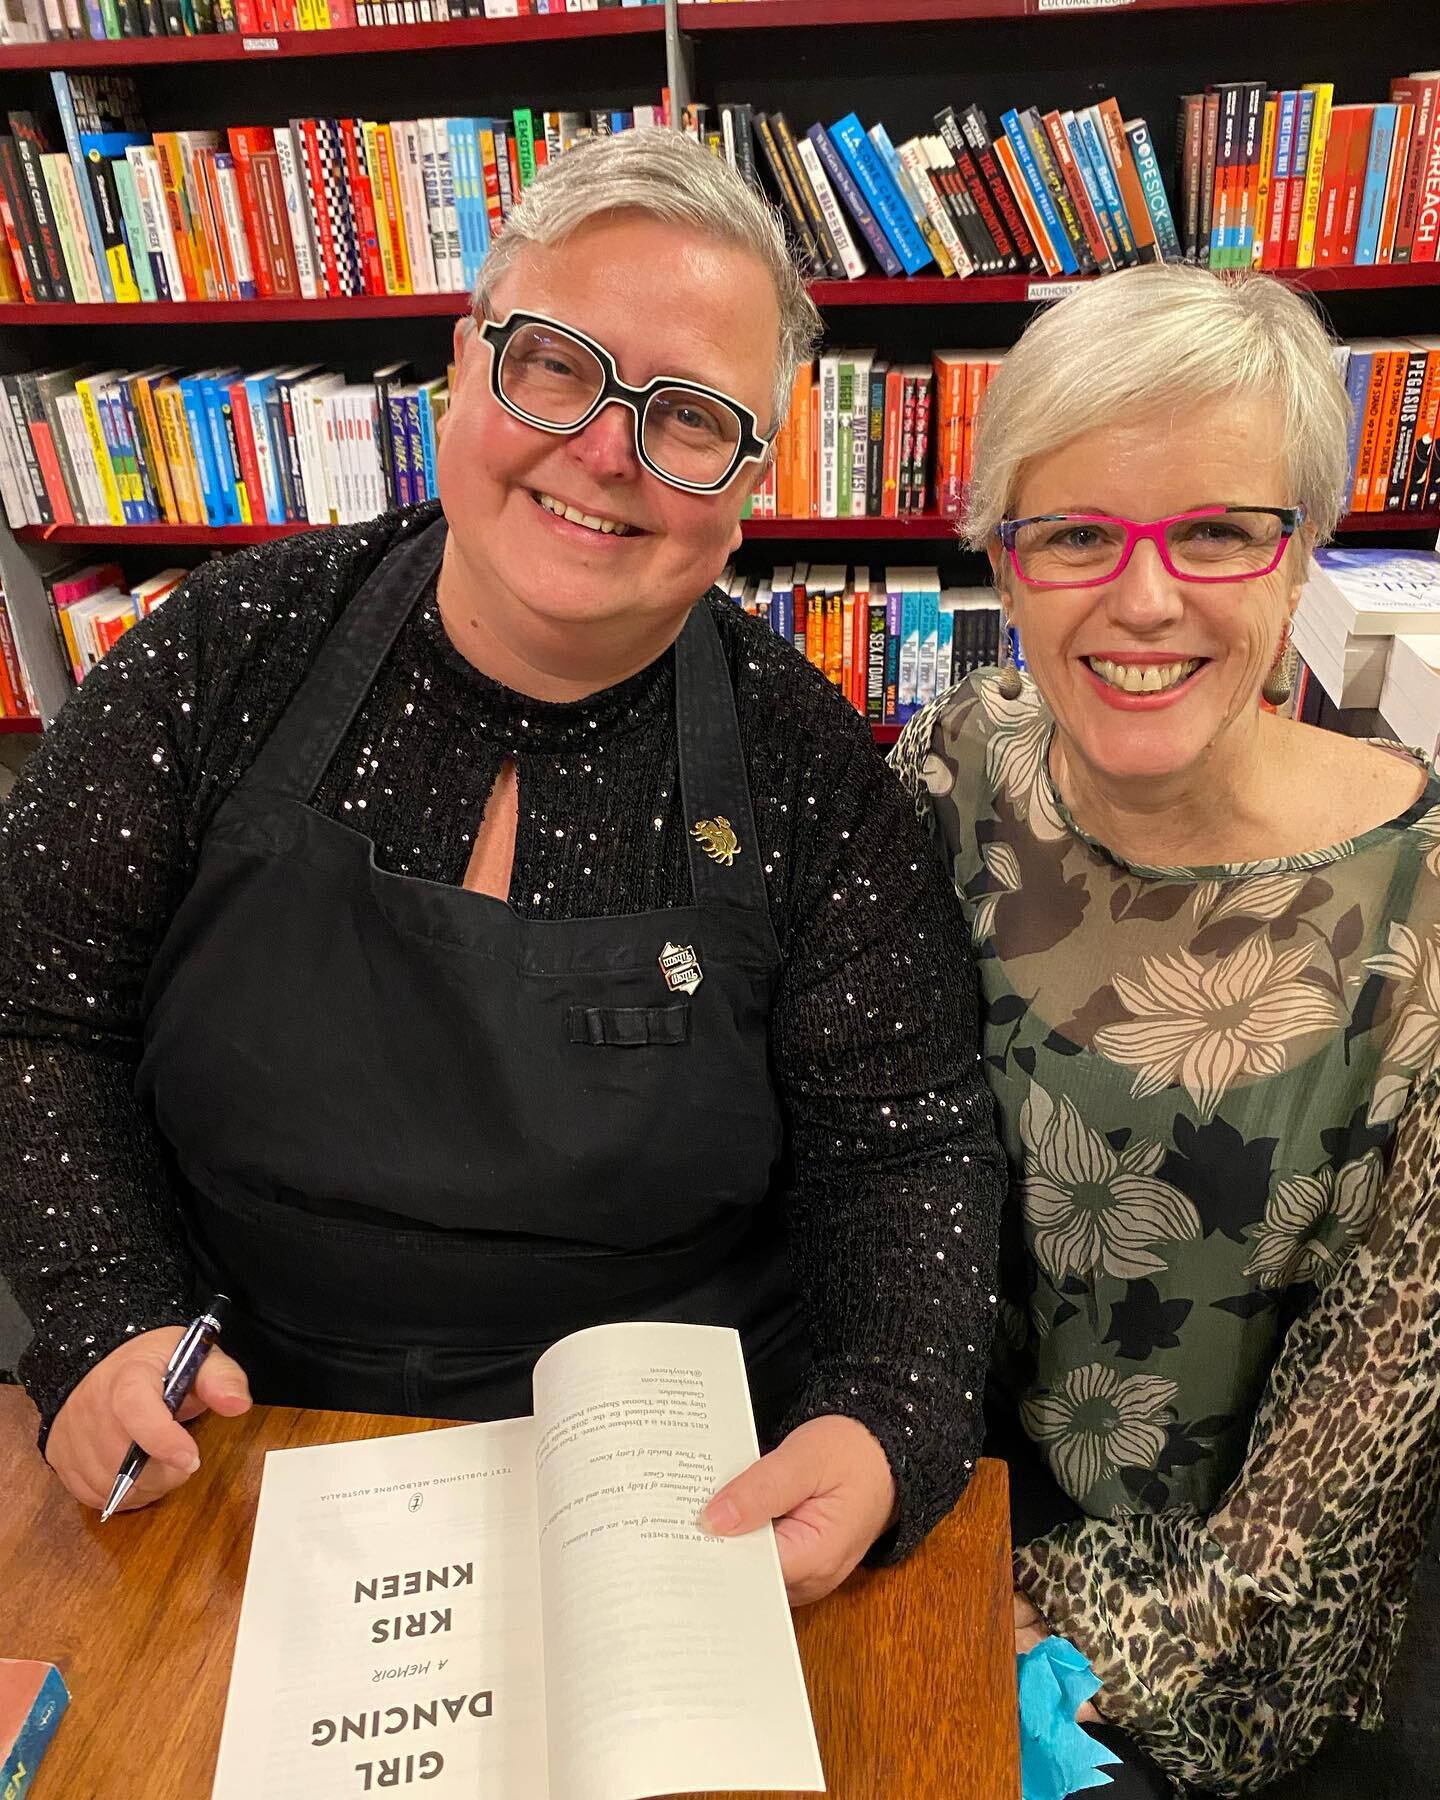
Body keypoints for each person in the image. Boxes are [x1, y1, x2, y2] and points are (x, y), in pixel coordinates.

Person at [0, 128, 1007, 1605]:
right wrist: (106, 1316)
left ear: (747, 482)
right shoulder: (221, 657)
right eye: (556, 364)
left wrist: (884, 1426)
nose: (605, 451)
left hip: (674, 1493)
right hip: (231, 1431)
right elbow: (39, 1013)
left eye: (686, 416)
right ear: (465, 361)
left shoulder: (812, 779)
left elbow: (906, 1149)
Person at [893, 263, 1440, 1794]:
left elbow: (1334, 1499)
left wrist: (1017, 1623)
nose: (1143, 598)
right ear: (1005, 560)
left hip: (1195, 1682)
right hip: (898, 1541)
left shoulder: (1426, 933)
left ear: (1302, 556)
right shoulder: (957, 771)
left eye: (1214, 529)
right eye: (1076, 533)